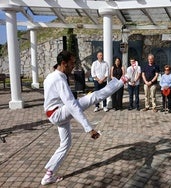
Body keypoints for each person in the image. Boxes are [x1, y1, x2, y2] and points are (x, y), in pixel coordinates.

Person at [41, 51, 128, 185]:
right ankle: (121, 81)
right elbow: (71, 105)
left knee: (66, 144)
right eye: (71, 63)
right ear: (63, 64)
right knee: (93, 97)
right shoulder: (59, 78)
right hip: (58, 113)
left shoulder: (51, 77)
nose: (73, 66)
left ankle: (48, 175)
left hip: (54, 114)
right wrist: (89, 129)